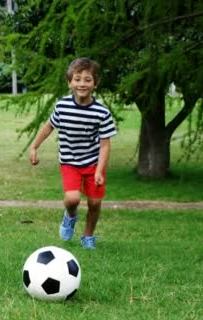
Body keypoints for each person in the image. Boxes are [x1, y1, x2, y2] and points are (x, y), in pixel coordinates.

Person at [29, 57, 117, 249]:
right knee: (73, 199)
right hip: (70, 162)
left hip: (93, 162)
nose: (82, 84)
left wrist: (100, 170)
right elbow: (49, 127)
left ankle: (87, 236)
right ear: (70, 82)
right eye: (77, 79)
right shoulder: (62, 106)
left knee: (94, 203)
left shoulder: (101, 112)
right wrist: (34, 146)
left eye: (87, 79)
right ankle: (70, 216)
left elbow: (105, 144)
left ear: (95, 83)